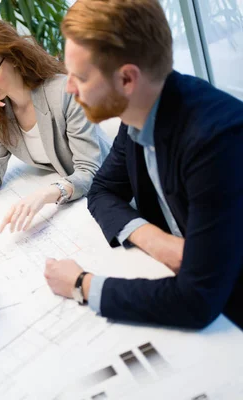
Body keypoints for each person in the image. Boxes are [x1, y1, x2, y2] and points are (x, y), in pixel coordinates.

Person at [44, 0, 243, 329]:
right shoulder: (136, 113)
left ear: (126, 80)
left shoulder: (215, 141)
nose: (69, 87)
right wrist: (156, 241)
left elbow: (197, 302)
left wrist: (82, 284)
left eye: (79, 76)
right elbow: (103, 190)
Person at [0, 17, 111, 233]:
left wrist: (45, 195)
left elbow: (91, 171)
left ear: (13, 58)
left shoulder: (64, 92)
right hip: (74, 203)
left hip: (109, 189)